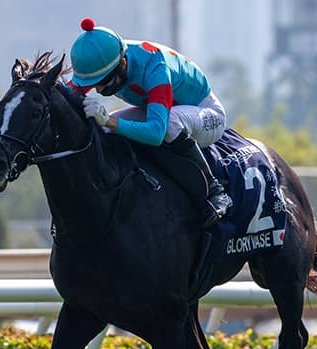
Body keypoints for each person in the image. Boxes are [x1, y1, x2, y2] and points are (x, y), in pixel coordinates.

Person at [66, 17, 232, 228]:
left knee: (169, 124)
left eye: (103, 82)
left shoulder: (155, 67)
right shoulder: (104, 61)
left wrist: (108, 120)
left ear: (123, 64)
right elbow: (67, 94)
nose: (98, 90)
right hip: (161, 109)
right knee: (103, 132)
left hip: (206, 114)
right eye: (93, 84)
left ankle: (215, 190)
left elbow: (156, 133)